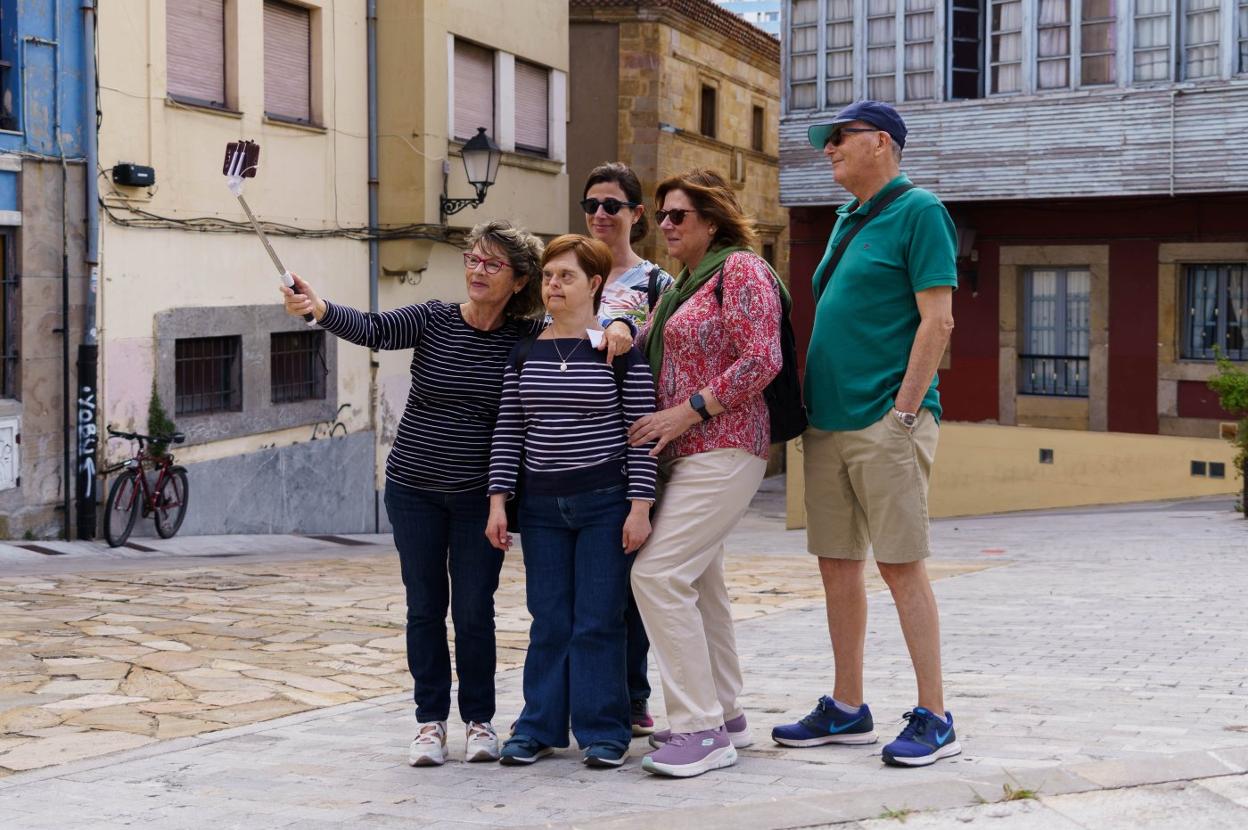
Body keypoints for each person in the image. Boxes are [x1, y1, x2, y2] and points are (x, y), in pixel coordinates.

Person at [280, 220, 633, 768]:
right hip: (413, 487)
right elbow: (373, 328)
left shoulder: (527, 335)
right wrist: (319, 307)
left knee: (473, 611)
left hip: (477, 496)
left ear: (518, 280)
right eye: (472, 259)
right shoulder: (433, 318)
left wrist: (620, 323)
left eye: (492, 264)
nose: (476, 270)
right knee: (424, 608)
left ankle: (480, 721)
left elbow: (580, 317)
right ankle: (429, 722)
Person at [770, 100, 960, 768]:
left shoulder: (921, 212)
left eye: (840, 138)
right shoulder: (847, 219)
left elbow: (937, 321)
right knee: (836, 565)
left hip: (886, 420)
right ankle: (847, 707)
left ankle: (936, 714)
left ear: (881, 142)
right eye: (825, 142)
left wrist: (904, 413)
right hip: (828, 423)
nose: (828, 149)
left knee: (901, 565)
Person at [626, 168, 784, 778]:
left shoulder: (741, 269)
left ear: (711, 220)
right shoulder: (681, 286)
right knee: (701, 583)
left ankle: (699, 729)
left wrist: (685, 411)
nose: (665, 225)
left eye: (678, 215)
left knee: (659, 576)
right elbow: (642, 340)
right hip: (689, 454)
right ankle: (726, 713)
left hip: (724, 444)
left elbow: (761, 358)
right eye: (661, 215)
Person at [486, 234, 658, 768]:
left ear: (595, 285)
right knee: (550, 619)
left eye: (566, 276)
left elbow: (642, 431)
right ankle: (538, 727)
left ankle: (604, 731)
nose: (553, 285)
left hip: (605, 504)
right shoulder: (524, 350)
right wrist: (498, 501)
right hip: (541, 508)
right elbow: (509, 428)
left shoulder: (617, 350)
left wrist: (639, 506)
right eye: (547, 276)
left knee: (600, 619)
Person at [581, 161, 674, 735]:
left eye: (612, 205)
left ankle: (634, 696)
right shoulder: (563, 273)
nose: (599, 215)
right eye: (591, 205)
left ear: (637, 215)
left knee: (633, 583)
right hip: (573, 454)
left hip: (634, 448)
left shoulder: (658, 284)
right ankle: (587, 697)